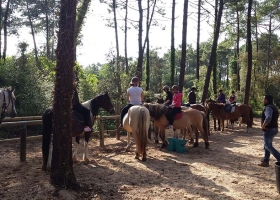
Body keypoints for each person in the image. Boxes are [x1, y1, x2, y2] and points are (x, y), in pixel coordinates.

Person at [258, 94, 280, 167]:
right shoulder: (274, 107)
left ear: (266, 100)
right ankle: (265, 161)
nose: (263, 100)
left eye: (264, 99)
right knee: (267, 145)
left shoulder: (268, 108)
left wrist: (263, 126)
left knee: (268, 146)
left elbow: (268, 118)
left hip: (269, 129)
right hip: (273, 128)